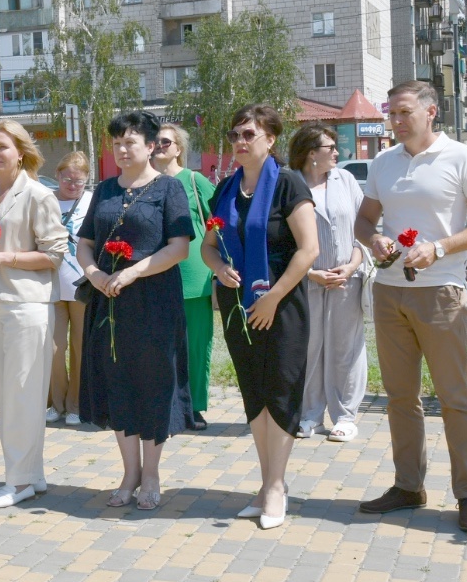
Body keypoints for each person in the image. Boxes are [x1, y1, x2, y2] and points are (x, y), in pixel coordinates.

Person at [354, 81, 467, 533]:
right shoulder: (384, 161)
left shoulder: (462, 157)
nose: (396, 121)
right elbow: (364, 220)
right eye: (391, 114)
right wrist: (374, 239)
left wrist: (438, 248)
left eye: (404, 112)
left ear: (431, 111)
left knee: (455, 398)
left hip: (441, 292)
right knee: (400, 397)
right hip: (389, 291)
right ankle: (408, 486)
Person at [203, 106, 318, 529]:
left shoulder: (288, 183)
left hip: (281, 305)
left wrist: (273, 297)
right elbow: (208, 246)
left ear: (271, 139)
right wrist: (218, 268)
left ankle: (275, 487)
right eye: (234, 135)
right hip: (238, 306)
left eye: (249, 134)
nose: (240, 141)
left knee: (281, 389)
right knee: (254, 390)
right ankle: (268, 481)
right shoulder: (226, 189)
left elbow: (309, 249)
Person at [77, 111, 193, 511]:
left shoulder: (169, 188)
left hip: (154, 300)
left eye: (130, 142)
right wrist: (94, 274)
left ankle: (152, 473)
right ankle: (130, 473)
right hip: (108, 302)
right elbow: (85, 243)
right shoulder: (105, 189)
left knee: (153, 382)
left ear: (150, 146)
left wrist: (133, 272)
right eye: (116, 143)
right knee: (117, 382)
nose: (122, 150)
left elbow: (179, 248)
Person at [0, 121, 68, 508]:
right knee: (3, 394)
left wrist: (6, 258)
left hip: (26, 305)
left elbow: (55, 255)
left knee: (23, 394)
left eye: (3, 147)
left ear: (21, 152)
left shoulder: (38, 195)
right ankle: (32, 474)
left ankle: (20, 482)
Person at [292, 123, 368, 442]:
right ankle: (310, 415)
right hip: (306, 281)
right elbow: (281, 239)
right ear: (311, 153)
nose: (337, 153)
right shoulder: (290, 183)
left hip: (346, 281)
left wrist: (352, 265)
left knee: (345, 349)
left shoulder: (345, 180)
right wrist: (310, 273)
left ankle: (345, 416)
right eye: (330, 148)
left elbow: (363, 228)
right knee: (309, 350)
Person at [153, 122, 217, 429]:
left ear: (179, 148)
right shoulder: (146, 182)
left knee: (195, 347)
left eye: (166, 142)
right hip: (155, 276)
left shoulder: (194, 180)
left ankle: (194, 408)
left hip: (194, 277)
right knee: (159, 348)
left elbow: (219, 219)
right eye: (154, 141)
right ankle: (165, 406)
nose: (159, 146)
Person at [48, 151, 92, 425]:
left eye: (79, 181)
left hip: (82, 286)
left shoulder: (92, 201)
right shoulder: (45, 200)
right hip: (50, 284)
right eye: (67, 179)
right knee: (52, 347)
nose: (73, 185)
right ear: (57, 175)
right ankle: (56, 402)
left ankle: (76, 404)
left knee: (80, 346)